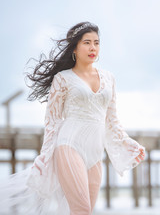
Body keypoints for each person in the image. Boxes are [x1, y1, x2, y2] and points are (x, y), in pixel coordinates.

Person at [0, 21, 145, 215]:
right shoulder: (63, 78)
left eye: (96, 42)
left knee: (85, 211)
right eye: (87, 42)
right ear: (75, 47)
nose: (93, 47)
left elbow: (112, 119)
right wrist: (45, 155)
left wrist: (128, 143)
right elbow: (51, 122)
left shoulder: (109, 78)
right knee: (82, 209)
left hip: (95, 151)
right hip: (69, 144)